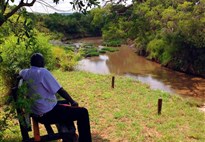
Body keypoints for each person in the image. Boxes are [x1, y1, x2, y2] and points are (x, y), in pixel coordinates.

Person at [19, 53, 92, 142]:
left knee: (64, 103)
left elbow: (20, 71)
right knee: (83, 112)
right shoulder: (43, 72)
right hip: (48, 114)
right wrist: (72, 101)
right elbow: (60, 90)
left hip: (37, 113)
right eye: (43, 61)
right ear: (41, 62)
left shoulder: (26, 72)